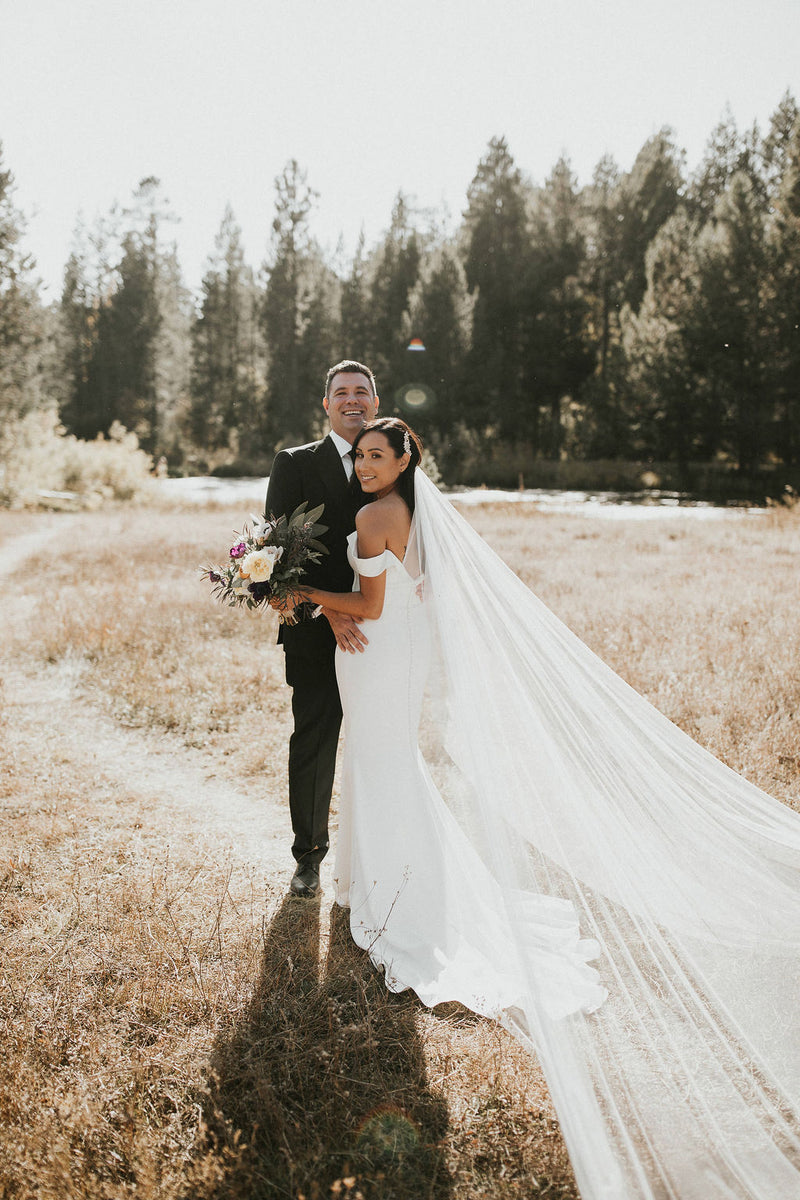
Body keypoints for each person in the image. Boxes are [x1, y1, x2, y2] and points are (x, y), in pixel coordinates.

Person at [284, 416, 800, 1200]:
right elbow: (407, 594)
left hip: (378, 652)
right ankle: (379, 880)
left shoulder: (374, 513)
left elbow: (371, 604)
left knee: (385, 763)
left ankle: (397, 896)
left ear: (405, 458)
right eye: (359, 456)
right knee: (389, 762)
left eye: (376, 456)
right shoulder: (418, 505)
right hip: (398, 655)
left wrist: (298, 592)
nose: (363, 466)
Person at [265, 360, 378, 898]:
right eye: (342, 392)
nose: (352, 400)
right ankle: (308, 857)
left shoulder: (392, 462)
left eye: (362, 392)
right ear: (325, 403)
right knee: (314, 739)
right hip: (313, 634)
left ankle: (377, 854)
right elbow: (274, 563)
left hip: (381, 633)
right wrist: (331, 610)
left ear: (375, 403)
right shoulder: (294, 464)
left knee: (379, 741)